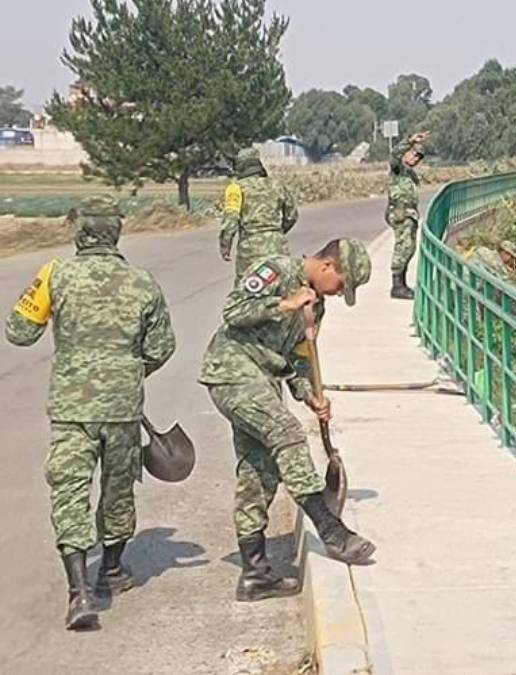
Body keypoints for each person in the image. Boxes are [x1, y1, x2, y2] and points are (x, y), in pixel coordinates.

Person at [5, 195, 176, 630]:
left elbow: (18, 332)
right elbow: (161, 347)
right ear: (117, 232)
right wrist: (126, 372)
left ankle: (79, 591)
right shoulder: (142, 281)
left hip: (71, 405)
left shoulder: (54, 275)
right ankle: (112, 571)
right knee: (118, 489)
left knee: (69, 489)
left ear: (79, 232)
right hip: (122, 406)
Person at [199, 238, 376, 602]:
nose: (341, 293)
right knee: (287, 433)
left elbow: (297, 359)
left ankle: (255, 573)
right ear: (328, 266)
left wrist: (310, 393)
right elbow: (233, 311)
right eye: (342, 285)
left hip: (263, 381)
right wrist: (285, 304)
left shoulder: (318, 308)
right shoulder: (276, 270)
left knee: (258, 471)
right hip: (231, 371)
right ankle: (331, 530)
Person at [219, 147, 299, 278]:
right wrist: (275, 232)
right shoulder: (276, 185)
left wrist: (225, 246)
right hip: (277, 247)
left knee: (248, 289)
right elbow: (292, 215)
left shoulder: (235, 188)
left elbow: (230, 221)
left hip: (250, 250)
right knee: (283, 285)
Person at [385, 131, 429, 299]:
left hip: (410, 214)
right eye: (413, 155)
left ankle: (402, 283)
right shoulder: (398, 168)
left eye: (419, 158)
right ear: (407, 153)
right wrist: (410, 141)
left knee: (409, 249)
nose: (415, 159)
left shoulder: (411, 174)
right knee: (402, 248)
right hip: (400, 212)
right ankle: (396, 286)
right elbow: (394, 154)